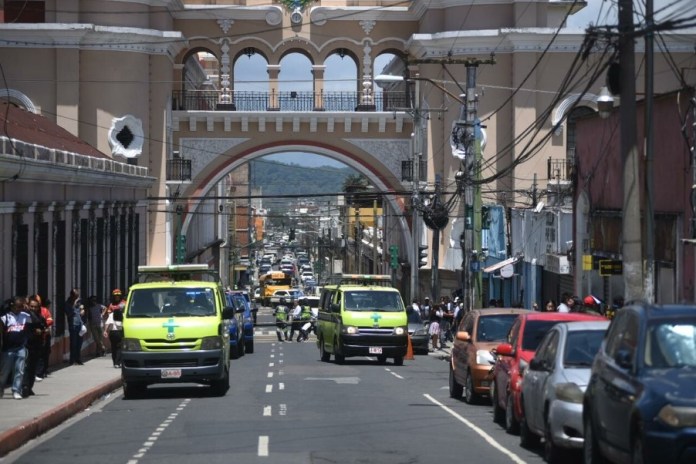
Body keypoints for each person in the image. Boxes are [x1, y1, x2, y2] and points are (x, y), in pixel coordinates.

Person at [0, 296, 31, 399]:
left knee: (19, 371)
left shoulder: (25, 316)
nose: (19, 309)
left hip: (20, 348)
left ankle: (16, 390)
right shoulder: (5, 318)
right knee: (4, 372)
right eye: (17, 307)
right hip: (8, 349)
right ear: (12, 306)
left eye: (21, 307)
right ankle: (1, 389)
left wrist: (28, 310)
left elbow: (36, 321)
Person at [22, 296, 47, 397]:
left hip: (37, 346)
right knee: (26, 368)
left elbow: (44, 327)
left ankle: (30, 387)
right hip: (26, 345)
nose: (33, 308)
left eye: (35, 307)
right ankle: (24, 387)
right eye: (31, 306)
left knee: (33, 368)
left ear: (38, 307)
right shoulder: (24, 316)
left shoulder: (40, 317)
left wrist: (43, 331)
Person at [64, 288, 85, 365]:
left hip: (80, 325)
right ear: (72, 296)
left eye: (78, 296)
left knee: (79, 343)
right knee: (73, 343)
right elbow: (69, 314)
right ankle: (72, 360)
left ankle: (78, 358)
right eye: (76, 296)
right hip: (73, 325)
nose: (77, 298)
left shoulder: (78, 303)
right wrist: (74, 305)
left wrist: (82, 310)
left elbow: (81, 310)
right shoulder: (67, 303)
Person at [36, 298, 54, 379]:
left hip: (45, 336)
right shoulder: (28, 312)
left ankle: (43, 371)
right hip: (34, 338)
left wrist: (43, 326)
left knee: (45, 354)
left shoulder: (45, 311)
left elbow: (50, 320)